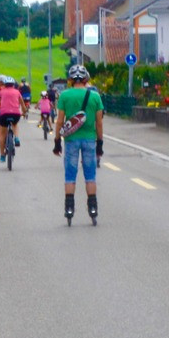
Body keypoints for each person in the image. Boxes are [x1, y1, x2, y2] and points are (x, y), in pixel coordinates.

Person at [53, 64, 105, 224]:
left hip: (71, 141)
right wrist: (100, 143)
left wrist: (57, 141)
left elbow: (60, 121)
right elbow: (99, 123)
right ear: (85, 79)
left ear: (70, 80)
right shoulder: (95, 96)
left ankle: (69, 208)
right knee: (90, 176)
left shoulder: (64, 96)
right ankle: (93, 208)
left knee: (70, 175)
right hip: (89, 139)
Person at [0, 75, 24, 163]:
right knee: (15, 124)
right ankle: (17, 138)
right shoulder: (17, 92)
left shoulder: (1, 92)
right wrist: (24, 112)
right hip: (15, 114)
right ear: (13, 85)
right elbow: (22, 104)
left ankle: (2, 155)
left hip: (4, 114)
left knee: (2, 134)